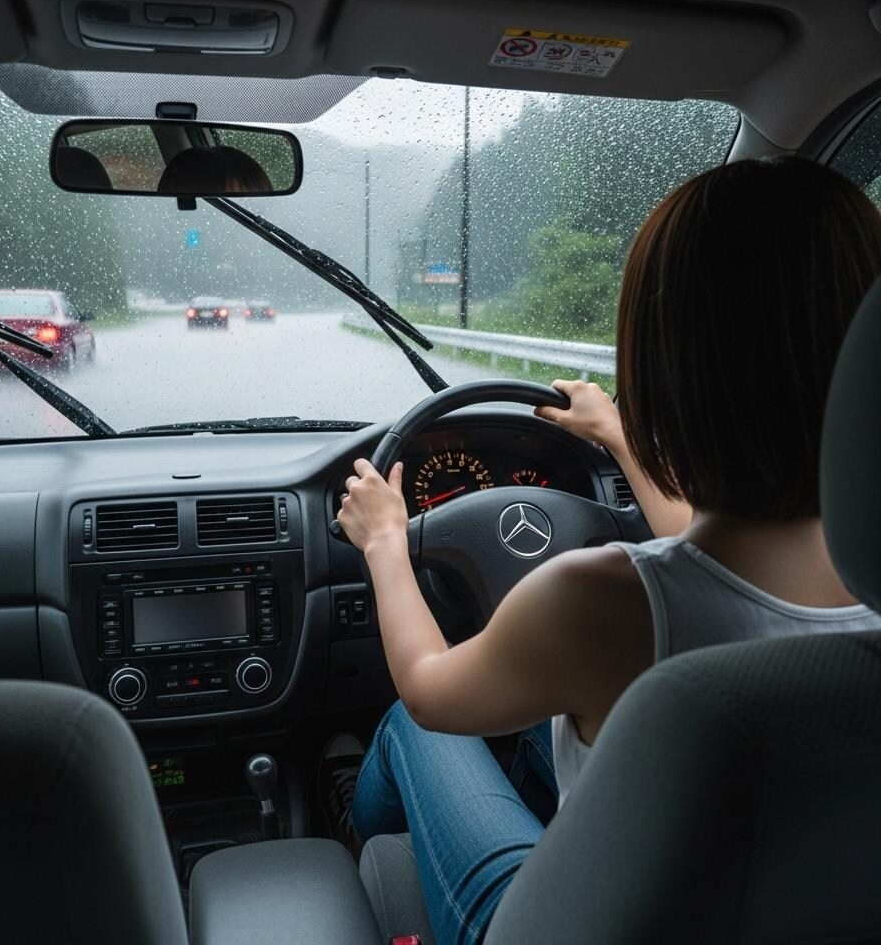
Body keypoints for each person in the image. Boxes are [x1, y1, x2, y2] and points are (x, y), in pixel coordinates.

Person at [332, 156, 881, 945]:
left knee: (410, 730)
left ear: (665, 369)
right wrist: (621, 439)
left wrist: (386, 542)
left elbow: (427, 687)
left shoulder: (596, 603)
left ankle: (352, 838)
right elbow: (712, 555)